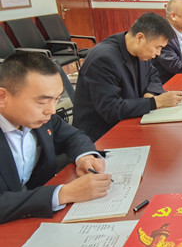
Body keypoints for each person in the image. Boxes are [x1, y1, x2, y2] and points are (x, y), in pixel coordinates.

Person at [0, 52, 112, 224]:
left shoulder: (41, 118)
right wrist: (62, 194)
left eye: (56, 99)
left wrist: (85, 157)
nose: (51, 110)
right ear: (3, 97)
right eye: (42, 102)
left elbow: (72, 136)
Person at [73, 13, 182, 142]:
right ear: (140, 38)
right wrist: (155, 102)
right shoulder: (103, 59)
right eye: (157, 47)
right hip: (102, 134)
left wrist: (151, 93)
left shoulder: (139, 51)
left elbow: (153, 74)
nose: (158, 53)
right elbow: (111, 109)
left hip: (131, 119)